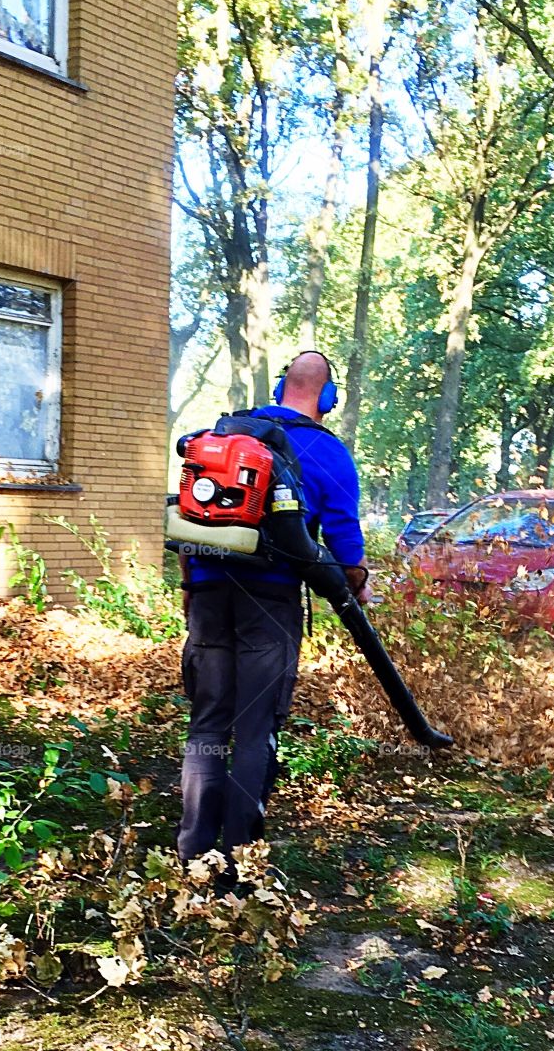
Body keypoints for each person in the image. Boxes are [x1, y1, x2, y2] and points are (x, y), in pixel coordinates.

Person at [177, 351, 369, 876]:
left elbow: (191, 511)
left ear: (282, 385)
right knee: (255, 726)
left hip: (210, 594)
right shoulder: (327, 451)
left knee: (210, 724)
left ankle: (193, 850)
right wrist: (353, 585)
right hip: (270, 601)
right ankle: (240, 857)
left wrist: (191, 584)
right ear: (329, 397)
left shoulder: (228, 434)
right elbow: (344, 540)